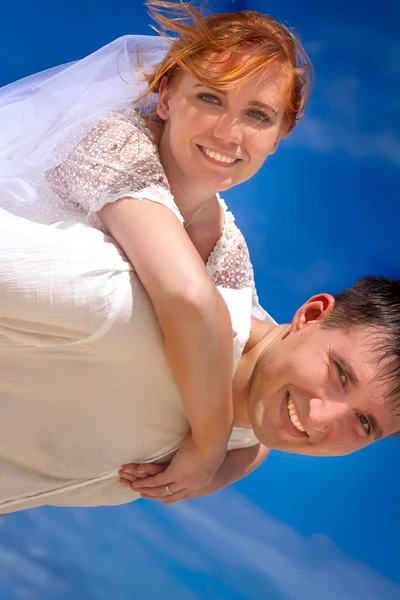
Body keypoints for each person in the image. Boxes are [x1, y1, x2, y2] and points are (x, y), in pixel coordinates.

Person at [0, 1, 312, 498]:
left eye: (257, 115)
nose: (229, 134)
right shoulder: (111, 142)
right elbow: (187, 297)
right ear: (165, 95)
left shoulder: (227, 249)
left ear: (278, 137)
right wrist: (207, 448)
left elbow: (259, 365)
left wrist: (211, 472)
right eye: (210, 98)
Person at [0, 210, 399, 514]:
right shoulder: (124, 303)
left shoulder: (243, 441)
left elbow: (253, 447)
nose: (319, 419)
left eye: (364, 424)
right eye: (340, 374)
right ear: (310, 316)